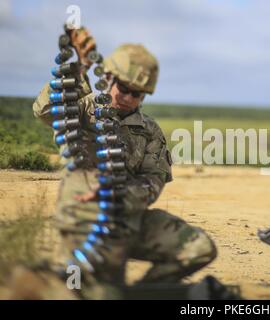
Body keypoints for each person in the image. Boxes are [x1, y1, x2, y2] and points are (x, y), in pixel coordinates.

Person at [31, 27, 217, 299]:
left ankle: (141, 294)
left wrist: (121, 195)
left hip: (130, 219)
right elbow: (44, 110)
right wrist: (80, 67)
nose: (129, 98)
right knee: (91, 292)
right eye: (125, 88)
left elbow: (154, 179)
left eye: (138, 94)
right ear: (107, 78)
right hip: (86, 224)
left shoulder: (150, 130)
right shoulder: (82, 109)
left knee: (198, 247)